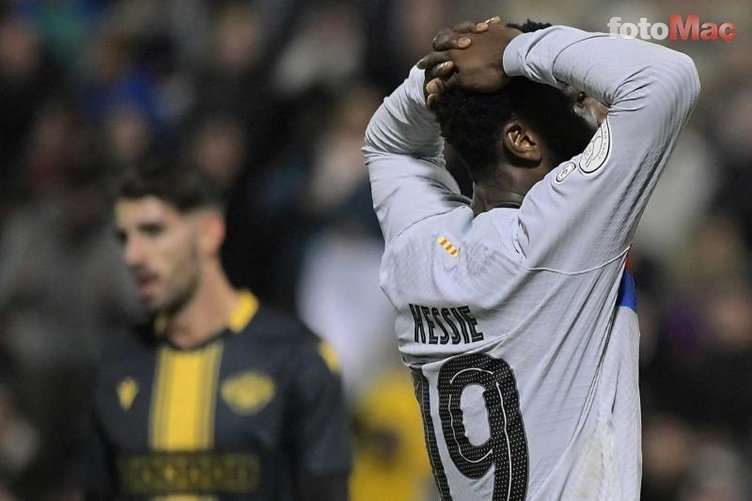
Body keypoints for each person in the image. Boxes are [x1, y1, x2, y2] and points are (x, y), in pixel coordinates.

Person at [364, 16, 699, 500]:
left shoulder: (417, 247)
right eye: (577, 100)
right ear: (522, 140)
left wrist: (452, 67)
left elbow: (388, 144)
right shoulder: (558, 232)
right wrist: (510, 51)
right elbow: (668, 78)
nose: (598, 110)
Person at [85, 163, 351, 500]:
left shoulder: (297, 360)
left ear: (209, 233)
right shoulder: (114, 364)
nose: (132, 255)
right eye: (124, 238)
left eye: (153, 231)